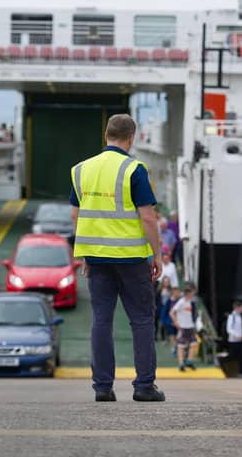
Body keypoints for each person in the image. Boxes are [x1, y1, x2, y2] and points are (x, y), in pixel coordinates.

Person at [70, 113, 164, 403]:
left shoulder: (81, 170)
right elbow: (147, 217)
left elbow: (76, 214)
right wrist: (157, 254)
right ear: (131, 138)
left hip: (97, 259)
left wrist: (86, 251)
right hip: (132, 258)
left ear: (106, 136)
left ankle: (102, 387)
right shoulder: (134, 169)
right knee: (141, 320)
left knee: (101, 320)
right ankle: (144, 386)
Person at [170, 285, 198, 372]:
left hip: (190, 326)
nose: (192, 296)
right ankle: (181, 363)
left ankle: (189, 360)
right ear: (187, 294)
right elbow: (171, 312)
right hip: (183, 327)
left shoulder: (189, 302)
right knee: (181, 346)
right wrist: (176, 322)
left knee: (194, 343)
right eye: (191, 294)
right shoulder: (181, 302)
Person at [226, 301, 242, 378]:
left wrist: (241, 336)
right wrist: (237, 335)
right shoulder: (232, 316)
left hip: (239, 340)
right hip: (233, 341)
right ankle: (219, 360)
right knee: (231, 356)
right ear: (237, 308)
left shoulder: (239, 316)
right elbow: (229, 329)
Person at [160, 286, 181, 353]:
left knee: (178, 335)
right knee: (171, 335)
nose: (177, 293)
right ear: (173, 292)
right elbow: (164, 311)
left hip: (179, 321)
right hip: (170, 322)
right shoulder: (169, 301)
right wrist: (163, 321)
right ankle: (173, 348)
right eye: (175, 291)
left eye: (178, 292)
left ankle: (177, 346)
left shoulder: (180, 301)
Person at [154, 276, 172, 342]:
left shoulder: (170, 290)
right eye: (165, 282)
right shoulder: (159, 290)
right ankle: (155, 335)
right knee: (156, 322)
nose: (166, 283)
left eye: (167, 282)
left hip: (167, 308)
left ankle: (163, 336)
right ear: (163, 282)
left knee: (164, 323)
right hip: (160, 307)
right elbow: (156, 299)